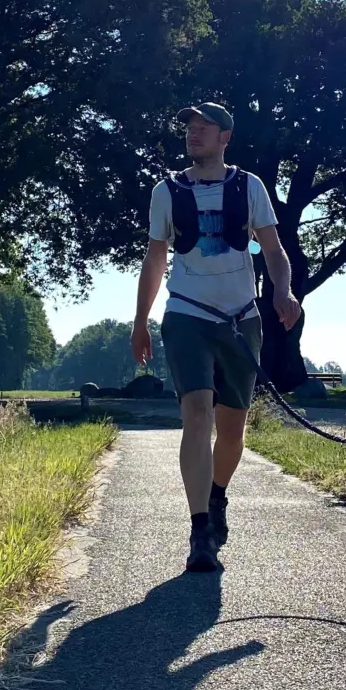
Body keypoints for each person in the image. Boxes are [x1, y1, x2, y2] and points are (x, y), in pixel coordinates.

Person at [132, 101, 301, 573]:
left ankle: (218, 496)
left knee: (231, 430)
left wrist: (283, 294)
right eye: (190, 126)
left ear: (226, 137)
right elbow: (154, 259)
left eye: (205, 127)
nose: (194, 133)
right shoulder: (165, 191)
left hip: (241, 319)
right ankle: (199, 529)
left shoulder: (250, 187)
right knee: (197, 413)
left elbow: (273, 249)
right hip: (187, 314)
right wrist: (140, 321)